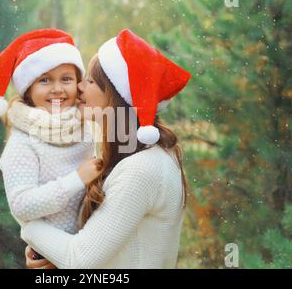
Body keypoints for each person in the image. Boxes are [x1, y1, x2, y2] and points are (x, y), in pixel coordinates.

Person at [22, 29, 191, 268]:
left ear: (115, 96)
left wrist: (28, 221)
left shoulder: (141, 168)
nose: (79, 87)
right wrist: (53, 251)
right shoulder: (135, 158)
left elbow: (78, 259)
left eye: (90, 81)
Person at [0, 29, 103, 260]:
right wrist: (76, 179)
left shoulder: (84, 125)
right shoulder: (23, 142)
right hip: (53, 252)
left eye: (66, 79)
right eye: (45, 80)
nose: (57, 88)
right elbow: (21, 205)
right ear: (28, 90)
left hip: (91, 247)